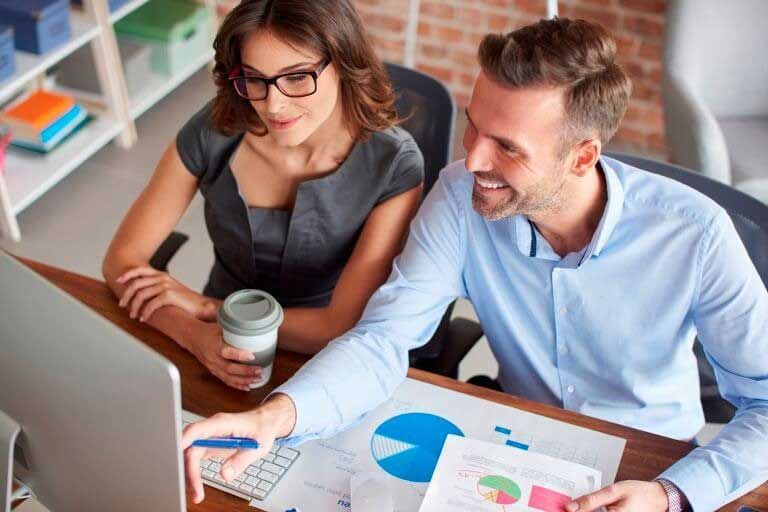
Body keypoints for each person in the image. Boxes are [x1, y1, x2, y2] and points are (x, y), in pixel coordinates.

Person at [181, 17, 768, 511]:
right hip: (517, 449)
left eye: (507, 147)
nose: (473, 158)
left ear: (582, 156)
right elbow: (383, 339)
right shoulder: (460, 196)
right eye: (473, 126)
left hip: (649, 463)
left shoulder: (697, 235)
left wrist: (670, 494)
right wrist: (278, 417)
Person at [102, 0, 424, 390]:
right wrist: (194, 334)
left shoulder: (394, 163)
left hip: (325, 357)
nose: (273, 104)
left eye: (297, 77)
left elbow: (338, 325)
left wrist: (209, 310)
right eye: (254, 78)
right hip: (213, 342)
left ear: (343, 64)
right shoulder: (215, 130)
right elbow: (121, 261)